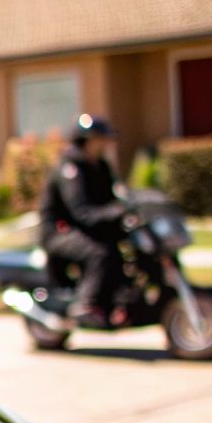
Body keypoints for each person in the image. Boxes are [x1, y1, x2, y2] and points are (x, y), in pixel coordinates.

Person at [40, 113, 131, 329]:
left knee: (124, 247)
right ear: (87, 140)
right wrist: (116, 212)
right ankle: (84, 304)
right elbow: (82, 213)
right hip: (59, 233)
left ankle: (117, 303)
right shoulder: (70, 169)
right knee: (98, 252)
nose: (106, 145)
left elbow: (115, 198)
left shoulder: (100, 166)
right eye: (101, 140)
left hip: (87, 228)